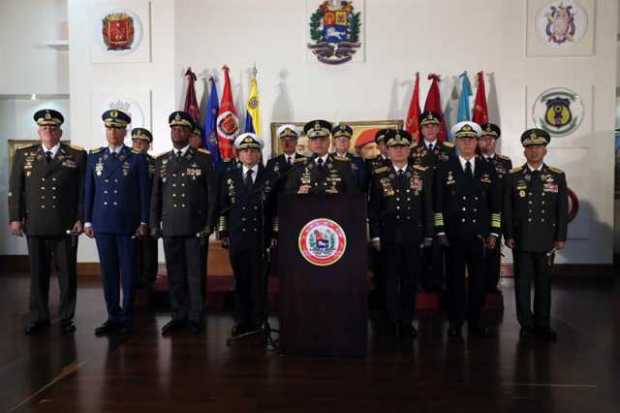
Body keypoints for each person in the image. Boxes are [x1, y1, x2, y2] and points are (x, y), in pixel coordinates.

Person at [8, 109, 86, 335]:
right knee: (37, 274)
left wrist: (81, 218)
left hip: (65, 225)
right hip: (36, 224)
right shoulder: (24, 155)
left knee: (67, 274)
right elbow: (16, 190)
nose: (49, 132)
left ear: (60, 132)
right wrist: (15, 218)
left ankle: (65, 317)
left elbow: (82, 192)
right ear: (38, 131)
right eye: (44, 128)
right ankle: (38, 315)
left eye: (53, 128)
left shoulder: (76, 156)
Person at [84, 109, 151, 336]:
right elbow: (88, 191)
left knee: (129, 272)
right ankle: (113, 316)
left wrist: (144, 220)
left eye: (117, 128)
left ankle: (128, 316)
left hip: (127, 224)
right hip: (102, 224)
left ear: (125, 131)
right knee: (109, 272)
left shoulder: (137, 158)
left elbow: (144, 192)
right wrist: (87, 221)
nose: (112, 132)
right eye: (109, 128)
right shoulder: (94, 157)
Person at [150, 111, 217, 336]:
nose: (177, 131)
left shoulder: (203, 159)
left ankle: (196, 317)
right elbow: (156, 196)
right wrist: (154, 224)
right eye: (174, 128)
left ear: (190, 133)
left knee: (195, 275)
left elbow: (212, 196)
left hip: (195, 227)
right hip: (170, 227)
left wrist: (210, 224)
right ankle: (178, 316)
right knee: (175, 274)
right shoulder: (162, 161)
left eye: (182, 128)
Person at [434, 121, 501, 339]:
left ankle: (475, 321)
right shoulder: (444, 168)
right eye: (463, 139)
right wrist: (440, 230)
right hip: (453, 236)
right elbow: (438, 203)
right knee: (454, 282)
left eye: (471, 139)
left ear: (477, 142)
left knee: (478, 282)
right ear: (456, 142)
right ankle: (455, 323)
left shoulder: (487, 168)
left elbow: (495, 204)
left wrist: (494, 231)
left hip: (479, 236)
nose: (467, 143)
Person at [503, 128, 568, 342]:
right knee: (522, 284)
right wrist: (508, 234)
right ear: (524, 151)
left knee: (544, 284)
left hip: (546, 240)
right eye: (529, 147)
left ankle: (543, 324)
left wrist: (560, 237)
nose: (534, 151)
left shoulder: (557, 176)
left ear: (545, 150)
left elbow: (561, 210)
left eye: (538, 147)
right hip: (521, 239)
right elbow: (508, 208)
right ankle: (526, 325)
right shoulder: (513, 176)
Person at [368, 130, 433, 337]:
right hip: (388, 236)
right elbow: (374, 209)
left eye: (403, 147)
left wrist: (428, 234)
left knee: (410, 280)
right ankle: (391, 320)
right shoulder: (379, 174)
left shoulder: (421, 172)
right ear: (387, 150)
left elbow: (427, 206)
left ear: (408, 149)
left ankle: (406, 321)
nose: (399, 151)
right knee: (389, 280)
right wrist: (375, 235)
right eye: (395, 147)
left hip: (413, 236)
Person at [218, 133, 277, 336]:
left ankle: (259, 320)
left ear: (259, 154)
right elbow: (223, 207)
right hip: (238, 237)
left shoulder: (270, 176)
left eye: (253, 150)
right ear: (238, 154)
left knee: (259, 282)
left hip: (261, 238)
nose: (249, 153)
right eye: (245, 150)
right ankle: (242, 320)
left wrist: (275, 233)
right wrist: (223, 231)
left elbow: (276, 210)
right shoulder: (229, 176)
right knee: (240, 280)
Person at [410, 111, 455, 291]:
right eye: (426, 126)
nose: (430, 129)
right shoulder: (412, 151)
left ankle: (442, 282)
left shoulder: (450, 150)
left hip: (445, 203)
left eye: (433, 126)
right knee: (422, 244)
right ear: (420, 129)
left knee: (443, 244)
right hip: (421, 203)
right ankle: (422, 283)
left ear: (438, 128)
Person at [478, 123, 512, 293]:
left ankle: (491, 286)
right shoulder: (472, 161)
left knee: (493, 250)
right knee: (476, 251)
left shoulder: (505, 162)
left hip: (496, 212)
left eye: (491, 139)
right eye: (483, 139)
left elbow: (508, 190)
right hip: (476, 213)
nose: (488, 142)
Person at [285, 120, 357, 194]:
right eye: (314, 139)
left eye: (322, 139)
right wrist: (298, 192)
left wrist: (339, 195)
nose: (318, 143)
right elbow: (287, 194)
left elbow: (353, 195)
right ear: (309, 143)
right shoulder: (299, 166)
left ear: (329, 142)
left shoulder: (343, 165)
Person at [131, 127, 158, 291]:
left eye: (142, 142)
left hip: (149, 211)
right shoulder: (125, 161)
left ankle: (149, 283)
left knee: (149, 251)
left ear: (149, 145)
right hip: (130, 213)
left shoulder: (154, 163)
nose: (138, 145)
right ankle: (133, 283)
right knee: (132, 252)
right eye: (135, 141)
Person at [331, 123, 367, 191]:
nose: (342, 142)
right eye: (339, 140)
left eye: (345, 140)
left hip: (352, 199)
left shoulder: (358, 161)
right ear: (334, 143)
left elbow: (362, 183)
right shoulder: (327, 159)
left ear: (349, 143)